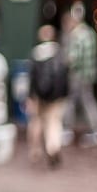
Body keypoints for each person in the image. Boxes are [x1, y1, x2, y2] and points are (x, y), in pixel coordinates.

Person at [61, 2, 97, 147]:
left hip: (77, 75)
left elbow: (73, 58)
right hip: (89, 74)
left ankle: (67, 130)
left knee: (71, 101)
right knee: (87, 100)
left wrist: (63, 64)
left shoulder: (76, 35)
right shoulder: (90, 32)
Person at [26, 24, 68, 167]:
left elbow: (31, 77)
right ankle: (53, 147)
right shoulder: (59, 52)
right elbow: (64, 76)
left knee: (36, 121)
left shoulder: (36, 53)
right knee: (54, 122)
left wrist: (30, 95)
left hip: (39, 95)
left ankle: (35, 151)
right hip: (56, 97)